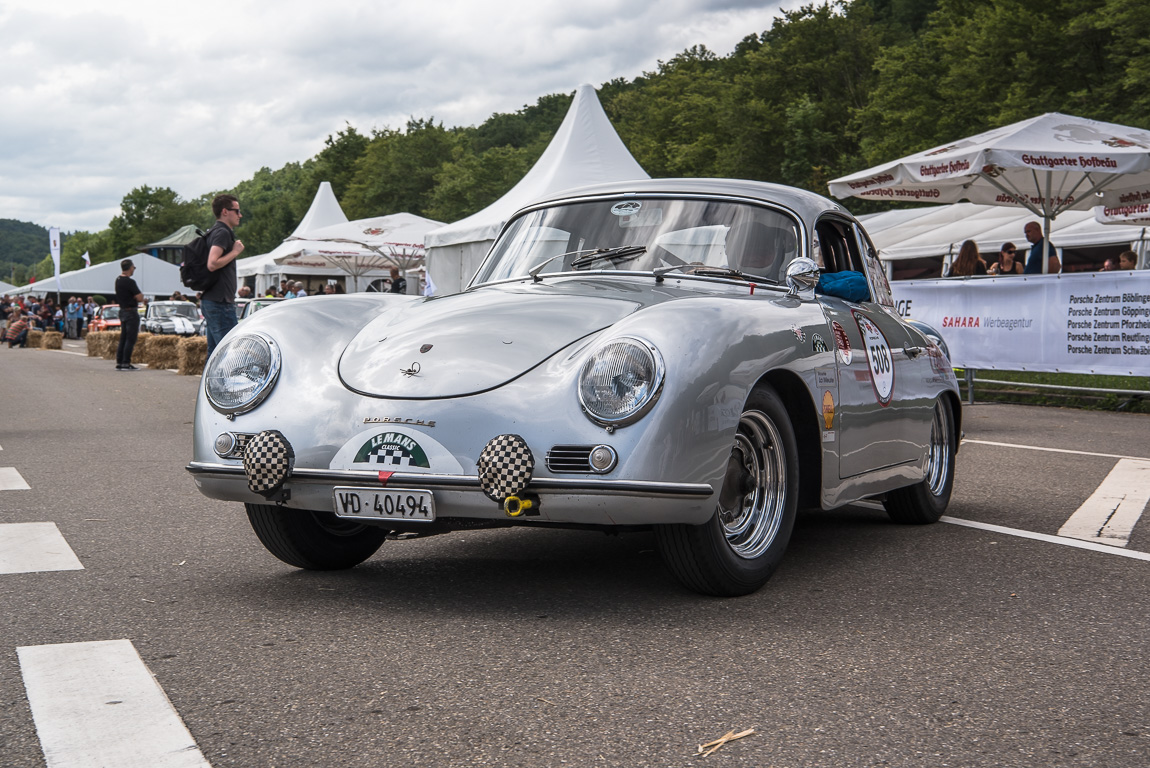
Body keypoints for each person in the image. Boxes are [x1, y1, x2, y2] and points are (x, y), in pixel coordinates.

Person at [200, 194, 245, 357]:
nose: (240, 215)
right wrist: (235, 252)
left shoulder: (213, 231)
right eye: (237, 211)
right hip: (220, 302)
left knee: (215, 354)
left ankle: (208, 383)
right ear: (225, 212)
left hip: (213, 299)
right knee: (231, 354)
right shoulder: (222, 233)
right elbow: (212, 263)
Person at [114, 259, 145, 370]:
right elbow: (140, 297)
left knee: (123, 337)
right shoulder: (129, 282)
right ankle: (126, 362)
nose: (134, 270)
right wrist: (138, 296)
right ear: (130, 268)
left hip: (122, 310)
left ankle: (120, 361)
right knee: (130, 338)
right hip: (131, 311)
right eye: (133, 268)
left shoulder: (118, 280)